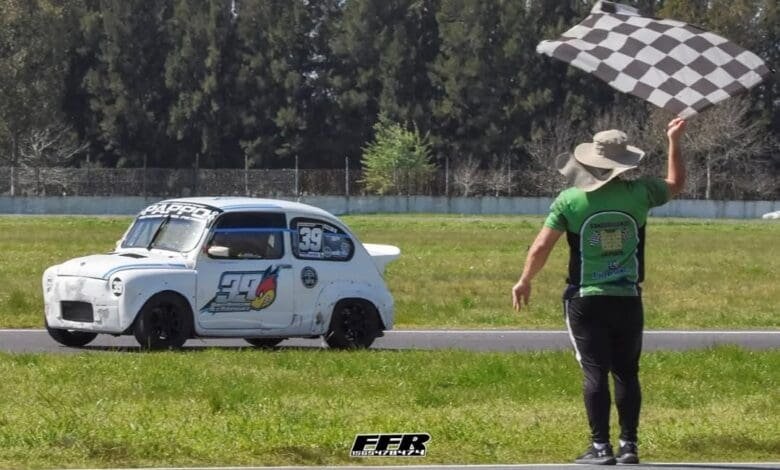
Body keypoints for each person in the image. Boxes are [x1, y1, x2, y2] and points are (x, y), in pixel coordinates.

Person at [512, 117, 687, 465]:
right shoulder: (640, 193)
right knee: (626, 371)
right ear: (624, 165)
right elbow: (676, 183)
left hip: (585, 298)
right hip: (627, 296)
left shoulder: (570, 200)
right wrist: (674, 141)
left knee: (594, 371)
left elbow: (540, 247)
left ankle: (600, 448)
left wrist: (525, 279)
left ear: (589, 161)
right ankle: (629, 447)